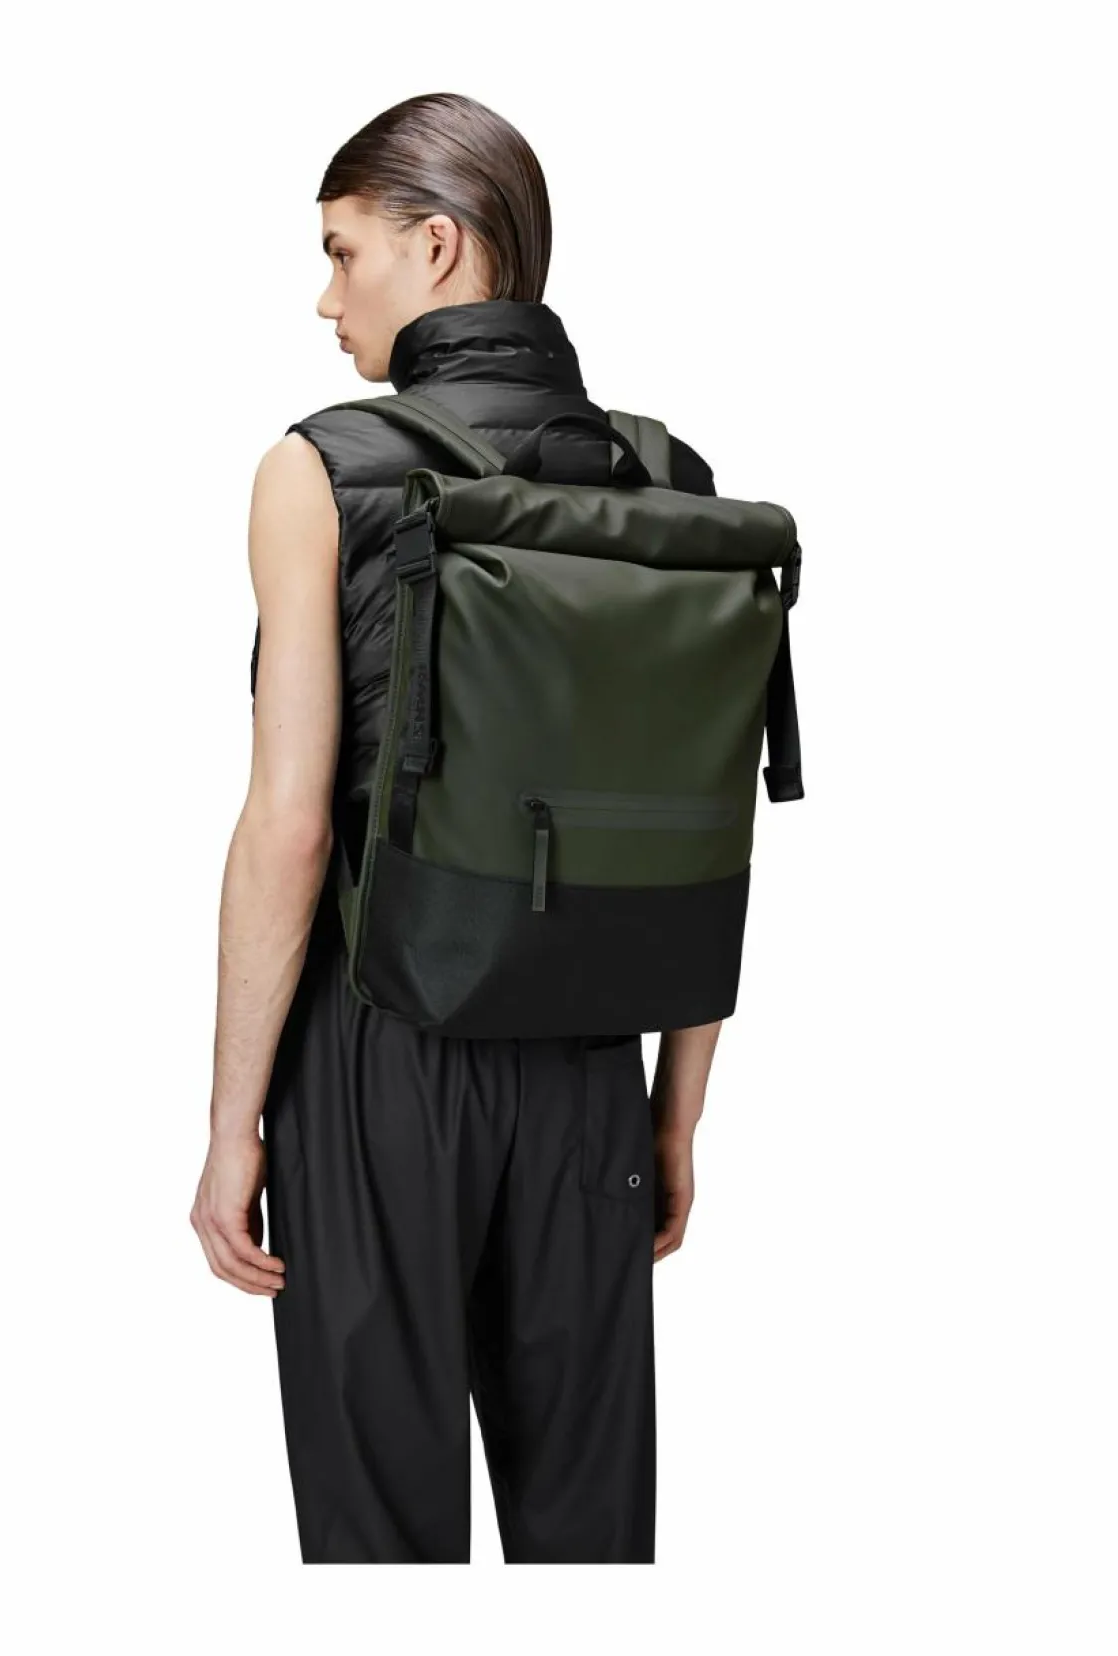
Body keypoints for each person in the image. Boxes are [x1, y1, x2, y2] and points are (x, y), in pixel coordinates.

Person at [190, 90, 724, 1564]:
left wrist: (233, 1127)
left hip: (377, 1056)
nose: (326, 298)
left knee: (380, 1550)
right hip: (591, 1064)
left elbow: (291, 827)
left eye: (341, 251)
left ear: (435, 245)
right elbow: (694, 830)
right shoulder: (669, 482)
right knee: (590, 1547)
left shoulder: (320, 469)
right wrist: (675, 1110)